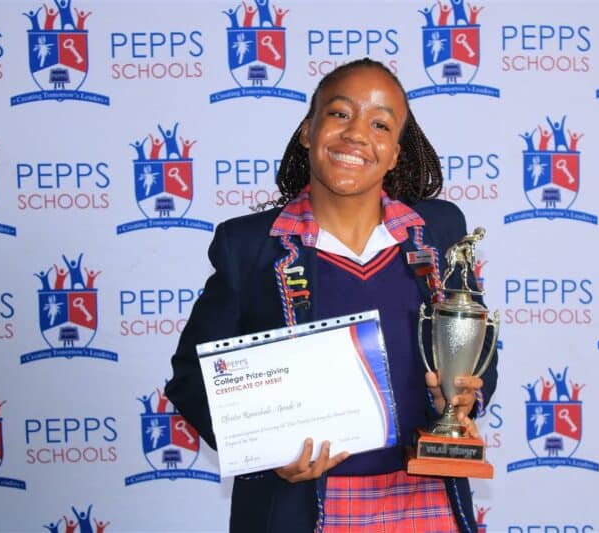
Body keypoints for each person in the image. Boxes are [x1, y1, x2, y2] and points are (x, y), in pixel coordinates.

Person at [166, 58, 498, 533]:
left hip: (425, 500)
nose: (357, 133)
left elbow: (477, 352)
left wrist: (462, 399)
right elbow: (191, 378)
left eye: (380, 124)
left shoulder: (439, 231)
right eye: (340, 114)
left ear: (395, 154)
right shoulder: (250, 246)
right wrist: (266, 452)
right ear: (308, 131)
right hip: (301, 510)